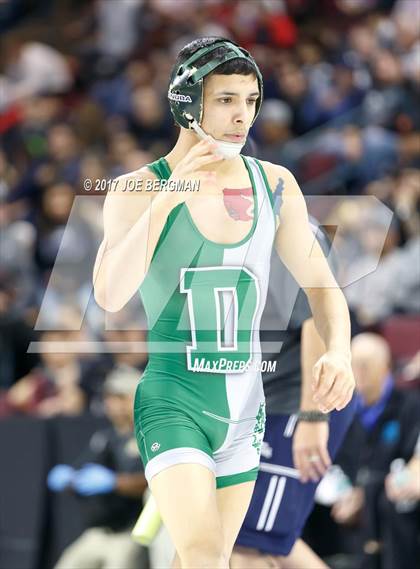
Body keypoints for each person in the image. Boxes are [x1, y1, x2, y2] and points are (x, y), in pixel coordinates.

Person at [93, 37, 355, 569]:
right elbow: (108, 296)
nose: (243, 116)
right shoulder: (136, 188)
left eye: (251, 100)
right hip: (173, 398)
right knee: (205, 554)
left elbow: (324, 288)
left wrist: (341, 352)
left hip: (244, 409)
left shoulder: (275, 184)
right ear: (188, 104)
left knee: (214, 560)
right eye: (227, 100)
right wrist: (168, 202)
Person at [231, 223, 357, 569]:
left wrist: (312, 415)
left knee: (250, 546)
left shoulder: (291, 234)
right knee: (240, 538)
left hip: (297, 403)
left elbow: (317, 320)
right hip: (261, 407)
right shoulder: (224, 235)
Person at [331, 333, 420, 569]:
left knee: (388, 501)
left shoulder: (410, 405)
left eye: (366, 364)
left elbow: (412, 460)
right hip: (352, 499)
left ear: (386, 367)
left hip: (392, 495)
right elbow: (336, 462)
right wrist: (346, 492)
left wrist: (367, 491)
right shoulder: (342, 410)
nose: (358, 371)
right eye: (353, 364)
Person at [47, 364, 148, 569]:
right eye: (110, 398)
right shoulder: (104, 437)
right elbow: (82, 471)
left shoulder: (149, 434)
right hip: (100, 531)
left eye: (122, 397)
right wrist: (70, 478)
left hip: (134, 532)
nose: (114, 405)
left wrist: (115, 483)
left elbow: (153, 482)